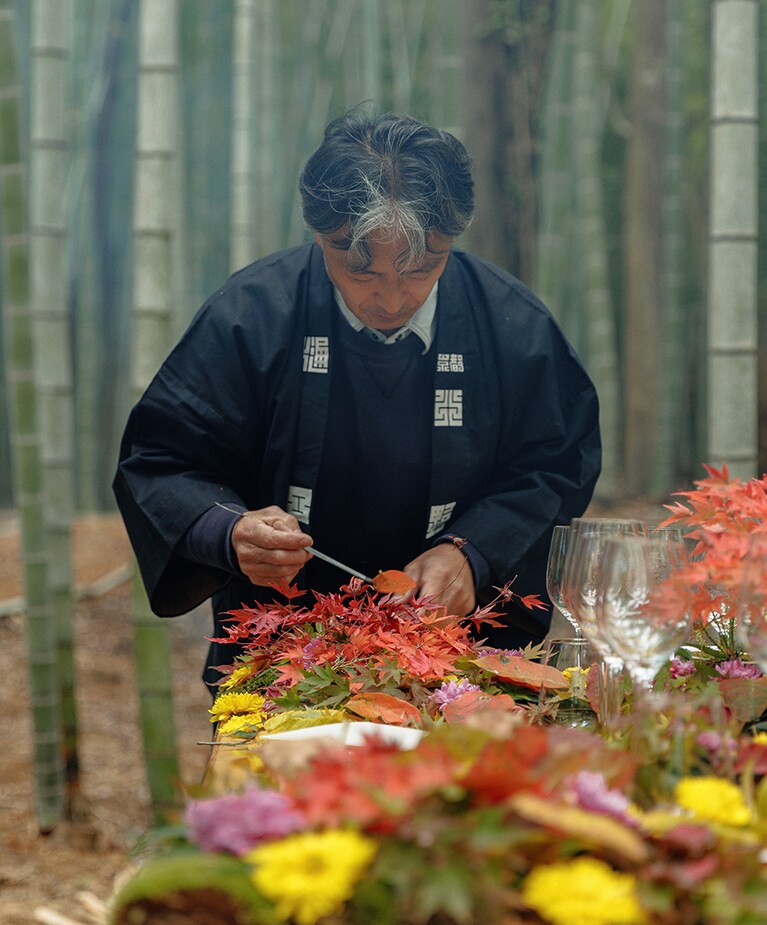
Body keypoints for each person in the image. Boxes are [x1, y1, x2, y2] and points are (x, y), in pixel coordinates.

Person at [113, 108, 601, 693]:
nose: (391, 298)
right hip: (286, 657)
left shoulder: (513, 327)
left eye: (421, 267)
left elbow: (555, 464)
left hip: (460, 657)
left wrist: (473, 554)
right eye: (359, 268)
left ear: (453, 240)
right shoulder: (251, 318)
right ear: (319, 235)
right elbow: (163, 460)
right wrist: (230, 531)